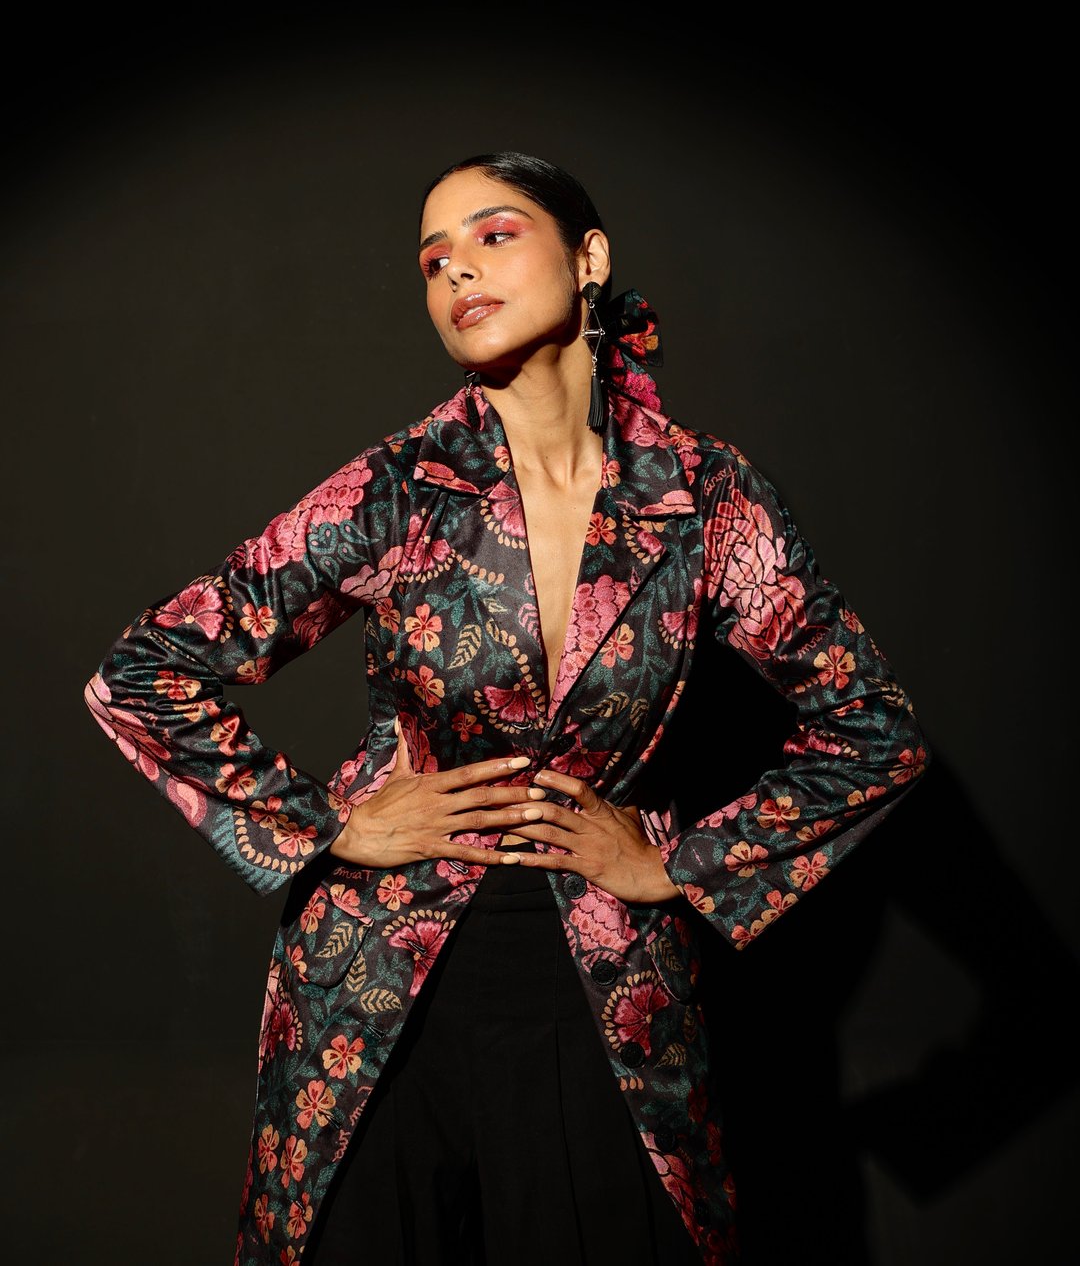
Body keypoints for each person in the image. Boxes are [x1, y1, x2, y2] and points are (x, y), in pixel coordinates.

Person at [84, 151, 932, 1266]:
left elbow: (874, 730)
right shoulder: (399, 488)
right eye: (432, 259)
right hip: (375, 992)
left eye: (493, 235)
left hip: (609, 986)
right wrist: (328, 826)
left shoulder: (706, 498)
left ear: (589, 259)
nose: (455, 272)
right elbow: (143, 671)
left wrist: (680, 865)